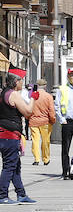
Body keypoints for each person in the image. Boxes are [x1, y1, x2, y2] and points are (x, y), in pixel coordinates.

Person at [0, 69, 35, 204]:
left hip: (4, 134)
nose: (22, 83)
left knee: (15, 166)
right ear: (16, 81)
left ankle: (21, 194)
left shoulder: (3, 93)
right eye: (21, 80)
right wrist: (33, 97)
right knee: (9, 166)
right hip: (10, 136)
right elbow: (28, 112)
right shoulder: (13, 94)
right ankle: (2, 195)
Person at [28, 78, 55, 167]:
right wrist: (53, 119)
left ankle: (36, 159)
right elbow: (51, 110)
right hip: (45, 121)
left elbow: (29, 108)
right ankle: (46, 159)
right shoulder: (48, 96)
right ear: (45, 86)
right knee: (45, 140)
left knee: (35, 140)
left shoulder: (33, 96)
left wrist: (28, 118)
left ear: (37, 86)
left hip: (33, 121)